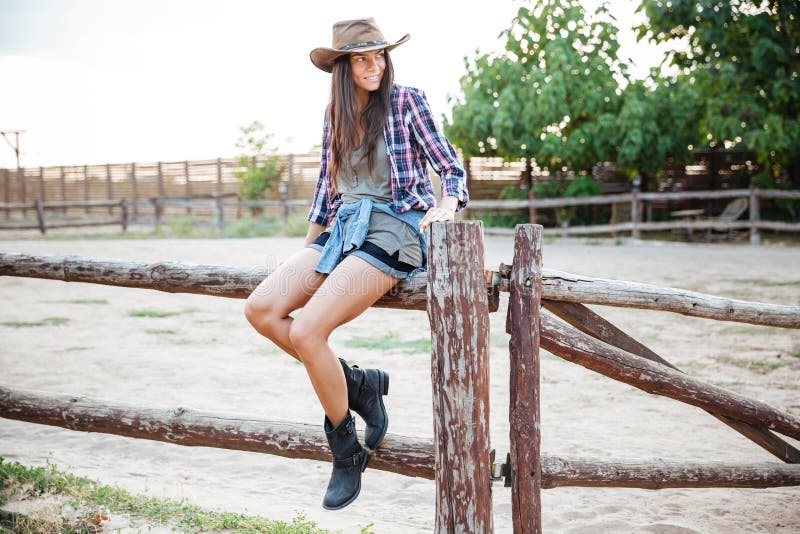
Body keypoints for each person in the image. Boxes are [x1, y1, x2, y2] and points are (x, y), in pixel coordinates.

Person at [243, 17, 468, 510]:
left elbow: (449, 166)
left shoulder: (407, 101)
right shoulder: (335, 115)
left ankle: (346, 450)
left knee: (306, 334)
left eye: (379, 56)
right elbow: (327, 189)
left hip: (394, 231)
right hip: (343, 230)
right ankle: (360, 386)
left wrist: (448, 204)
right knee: (260, 309)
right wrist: (307, 253)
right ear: (344, 67)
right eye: (362, 59)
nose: (374, 66)